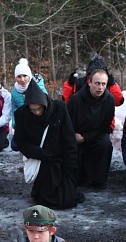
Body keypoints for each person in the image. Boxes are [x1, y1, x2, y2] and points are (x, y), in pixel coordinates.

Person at [14, 80, 82, 209]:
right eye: (33, 109)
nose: (37, 112)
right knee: (44, 198)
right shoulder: (22, 115)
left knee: (67, 198)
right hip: (42, 159)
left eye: (39, 108)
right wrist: (38, 152)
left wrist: (70, 166)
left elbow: (68, 138)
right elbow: (21, 141)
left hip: (60, 159)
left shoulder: (59, 108)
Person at [67, 68, 115, 189]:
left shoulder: (109, 100)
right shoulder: (76, 99)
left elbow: (106, 124)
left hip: (97, 134)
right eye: (97, 83)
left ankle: (99, 180)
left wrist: (86, 138)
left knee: (106, 145)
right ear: (89, 82)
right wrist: (75, 136)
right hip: (76, 134)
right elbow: (67, 123)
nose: (100, 87)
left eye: (103, 84)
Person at [10, 58, 47, 151]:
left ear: (29, 76)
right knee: (15, 145)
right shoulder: (14, 92)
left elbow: (47, 104)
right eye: (19, 76)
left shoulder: (38, 87)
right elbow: (14, 109)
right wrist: (15, 125)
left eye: (25, 76)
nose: (22, 80)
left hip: (39, 119)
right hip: (25, 122)